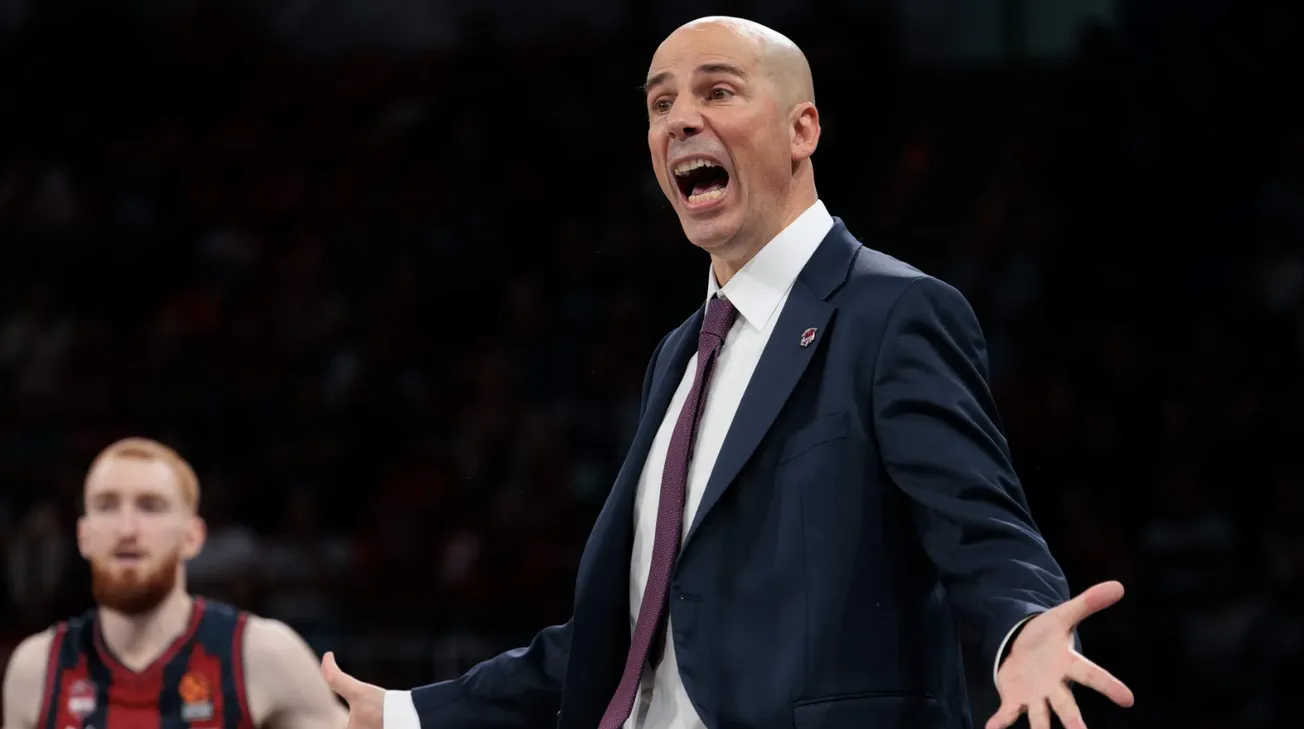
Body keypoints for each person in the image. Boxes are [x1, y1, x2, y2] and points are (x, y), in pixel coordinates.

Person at [323, 15, 1136, 729]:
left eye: (717, 92)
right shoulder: (677, 355)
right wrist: (408, 712)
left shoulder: (894, 312)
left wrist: (1023, 629)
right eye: (660, 103)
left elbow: (982, 529)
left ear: (802, 129)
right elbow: (633, 629)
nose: (680, 119)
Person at [1, 437, 348, 729]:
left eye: (151, 506)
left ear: (193, 536)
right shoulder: (37, 669)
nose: (127, 529)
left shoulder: (263, 656)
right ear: (83, 536)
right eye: (107, 506)